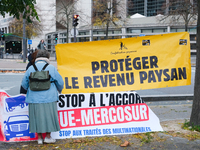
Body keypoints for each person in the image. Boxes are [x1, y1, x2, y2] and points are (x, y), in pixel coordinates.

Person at [21, 50, 64, 144]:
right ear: (47, 58)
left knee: (36, 117)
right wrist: (59, 90)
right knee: (49, 117)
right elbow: (60, 82)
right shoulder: (51, 68)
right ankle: (48, 137)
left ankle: (39, 138)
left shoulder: (31, 68)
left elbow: (24, 84)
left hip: (34, 98)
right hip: (49, 97)